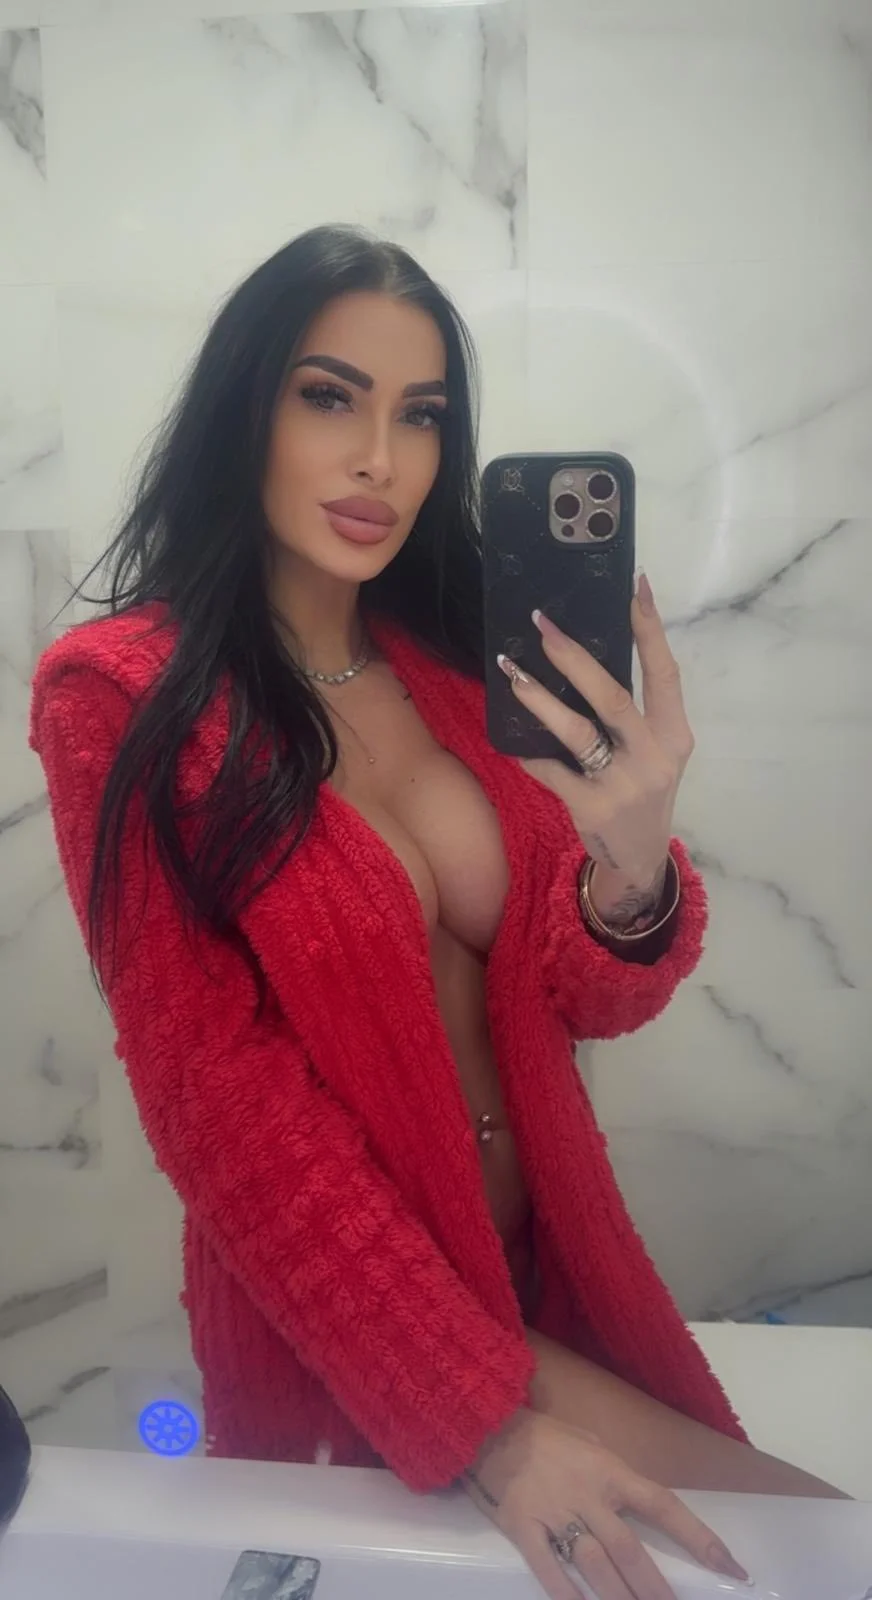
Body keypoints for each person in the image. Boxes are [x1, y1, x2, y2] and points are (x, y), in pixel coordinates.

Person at [30, 226, 844, 1600]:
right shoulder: (119, 693)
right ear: (245, 407)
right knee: (809, 1556)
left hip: (555, 1282)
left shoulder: (464, 662)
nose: (381, 461)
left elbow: (592, 999)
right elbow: (213, 1102)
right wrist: (480, 1424)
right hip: (366, 1341)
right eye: (329, 396)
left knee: (810, 1549)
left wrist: (632, 868)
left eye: (422, 417)